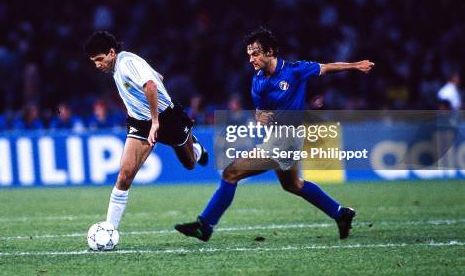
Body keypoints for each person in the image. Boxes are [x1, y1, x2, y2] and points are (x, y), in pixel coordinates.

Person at [175, 27, 375, 241]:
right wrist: (260, 117)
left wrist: (356, 65)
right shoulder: (257, 80)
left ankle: (205, 226)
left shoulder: (295, 70)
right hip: (275, 137)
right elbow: (260, 111)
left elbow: (327, 67)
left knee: (231, 173)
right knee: (293, 185)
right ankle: (341, 213)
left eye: (255, 53)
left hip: (288, 137)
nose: (251, 58)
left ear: (270, 52)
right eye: (249, 54)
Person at [84, 31, 209, 229]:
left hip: (166, 118)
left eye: (100, 59)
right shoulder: (120, 65)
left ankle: (197, 149)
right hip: (140, 122)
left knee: (190, 164)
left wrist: (156, 121)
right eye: (94, 62)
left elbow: (150, 85)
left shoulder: (126, 63)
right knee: (124, 175)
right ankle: (110, 229)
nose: (98, 65)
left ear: (111, 52)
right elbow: (157, 77)